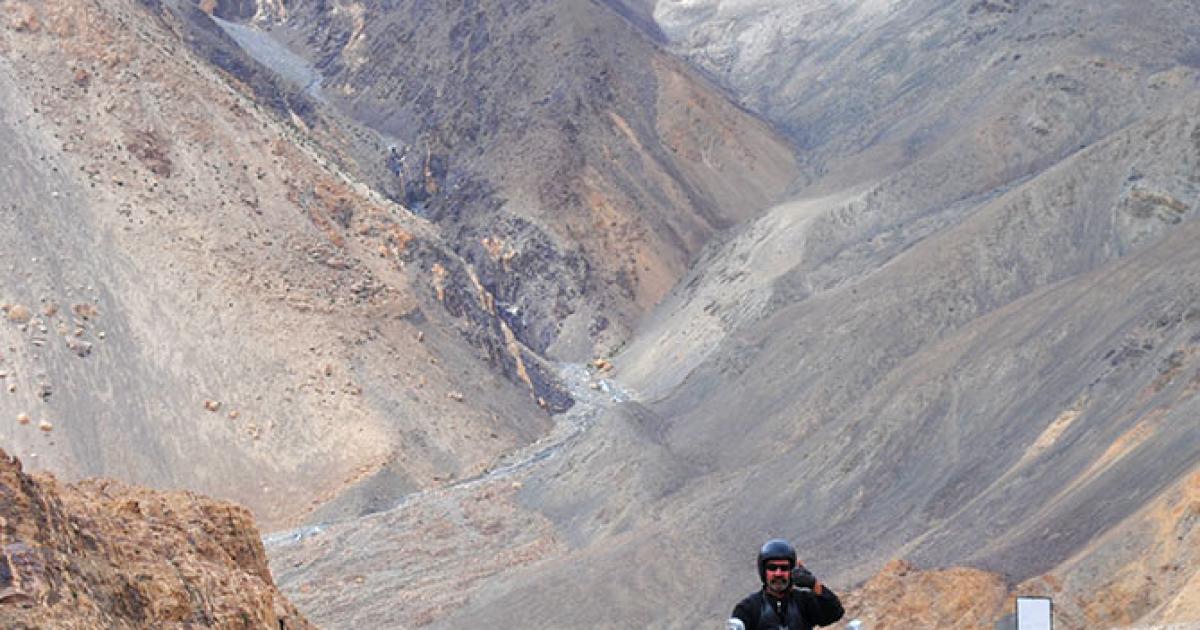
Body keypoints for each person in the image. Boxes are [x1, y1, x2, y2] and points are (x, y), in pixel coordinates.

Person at [727, 538, 844, 630]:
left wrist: (813, 583)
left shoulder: (804, 601)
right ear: (763, 571)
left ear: (792, 570)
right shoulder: (748, 607)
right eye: (772, 568)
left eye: (784, 568)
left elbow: (835, 613)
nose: (778, 573)